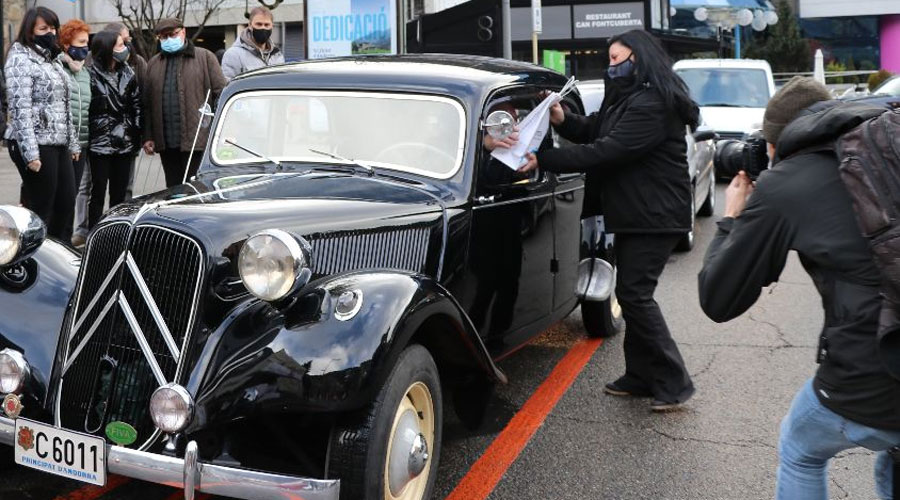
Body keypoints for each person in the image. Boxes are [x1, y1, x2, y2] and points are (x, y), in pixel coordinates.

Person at [697, 77, 900, 499]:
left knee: (801, 448)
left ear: (778, 143)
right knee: (891, 456)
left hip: (874, 372)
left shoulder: (788, 181)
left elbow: (719, 299)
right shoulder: (885, 149)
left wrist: (732, 217)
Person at [519, 29, 698, 412]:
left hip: (655, 215)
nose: (611, 66)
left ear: (639, 58)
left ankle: (674, 382)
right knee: (633, 295)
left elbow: (608, 149)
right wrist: (563, 118)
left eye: (617, 59)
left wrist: (544, 159)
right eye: (610, 59)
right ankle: (639, 375)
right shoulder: (632, 98)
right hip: (638, 214)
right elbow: (595, 128)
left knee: (635, 295)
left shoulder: (653, 104)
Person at [4, 7, 80, 241]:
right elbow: (20, 109)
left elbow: (64, 106)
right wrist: (31, 154)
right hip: (35, 142)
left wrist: (73, 143)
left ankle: (56, 251)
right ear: (30, 31)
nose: (50, 32)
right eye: (43, 28)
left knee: (66, 201)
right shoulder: (20, 58)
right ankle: (33, 254)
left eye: (53, 28)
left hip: (58, 141)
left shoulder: (52, 59)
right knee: (42, 206)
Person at [143, 18, 226, 187]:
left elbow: (221, 93)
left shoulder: (205, 57)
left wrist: (218, 130)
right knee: (173, 188)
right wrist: (148, 136)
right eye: (163, 37)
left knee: (197, 188)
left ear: (183, 32)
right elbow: (148, 103)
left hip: (198, 139)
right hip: (166, 142)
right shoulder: (153, 64)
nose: (168, 40)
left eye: (172, 35)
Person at [87, 30, 142, 229]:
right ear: (107, 49)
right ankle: (94, 232)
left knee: (120, 194)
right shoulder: (91, 74)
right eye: (119, 45)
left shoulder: (128, 73)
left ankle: (116, 232)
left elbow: (136, 105)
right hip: (99, 141)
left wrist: (136, 134)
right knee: (97, 193)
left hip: (125, 140)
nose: (124, 49)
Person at [102, 22, 148, 202]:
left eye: (128, 41)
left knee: (125, 186)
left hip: (127, 136)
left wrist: (139, 132)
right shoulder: (93, 62)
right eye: (123, 41)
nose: (128, 46)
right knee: (92, 187)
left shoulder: (138, 62)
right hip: (101, 137)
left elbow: (142, 99)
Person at [57, 19, 92, 247]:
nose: (85, 48)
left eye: (87, 43)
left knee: (73, 194)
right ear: (66, 44)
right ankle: (59, 240)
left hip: (83, 142)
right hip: (64, 143)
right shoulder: (58, 69)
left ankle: (67, 242)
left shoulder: (85, 73)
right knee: (63, 196)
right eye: (81, 43)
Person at [221, 6, 284, 80]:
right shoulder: (234, 55)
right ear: (250, 25)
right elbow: (229, 84)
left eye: (267, 25)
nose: (263, 28)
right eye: (259, 24)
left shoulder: (277, 55)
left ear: (272, 26)